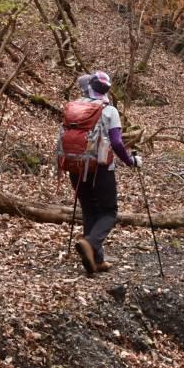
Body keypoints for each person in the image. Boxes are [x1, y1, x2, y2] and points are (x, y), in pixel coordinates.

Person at [62, 71, 142, 275]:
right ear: (106, 90)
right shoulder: (109, 110)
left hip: (76, 165)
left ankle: (95, 260)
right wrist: (130, 161)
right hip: (100, 168)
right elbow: (116, 142)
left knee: (89, 209)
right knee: (109, 211)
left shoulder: (76, 106)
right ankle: (90, 244)